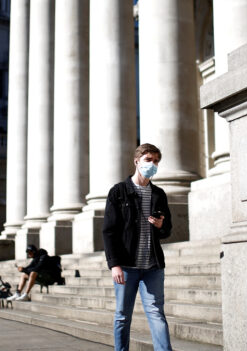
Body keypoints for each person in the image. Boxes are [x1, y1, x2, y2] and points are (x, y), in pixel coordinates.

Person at [102, 143, 173, 351]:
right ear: (137, 161)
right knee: (123, 315)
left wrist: (161, 226)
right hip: (126, 265)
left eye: (156, 161)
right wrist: (114, 265)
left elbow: (167, 229)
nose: (153, 164)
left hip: (153, 266)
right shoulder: (118, 192)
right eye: (148, 160)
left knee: (156, 313)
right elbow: (109, 231)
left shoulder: (159, 194)